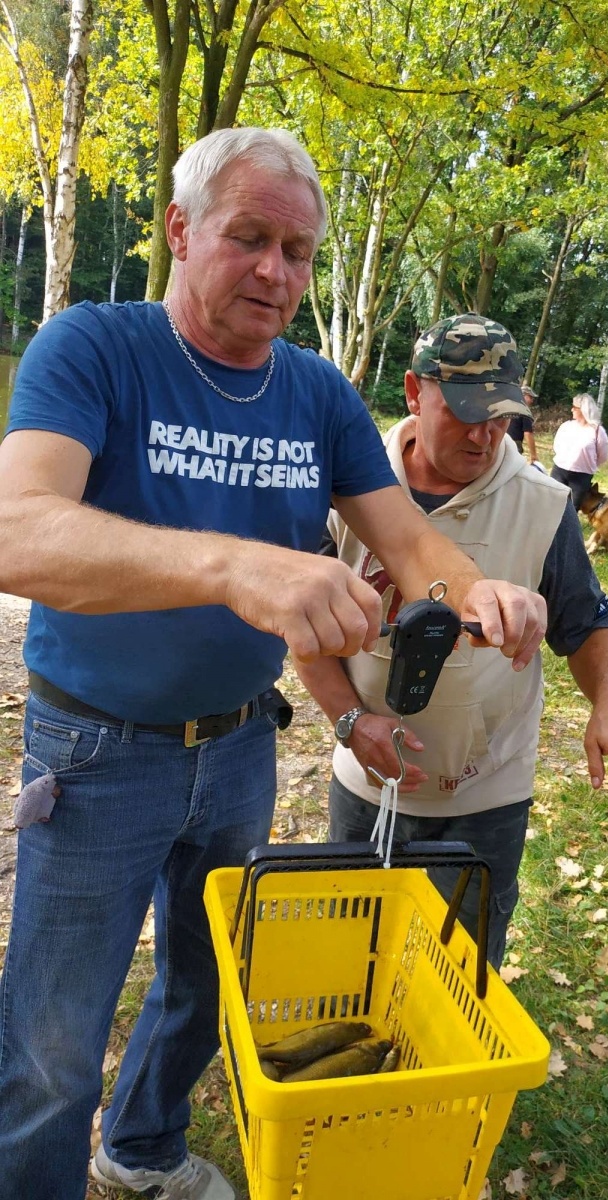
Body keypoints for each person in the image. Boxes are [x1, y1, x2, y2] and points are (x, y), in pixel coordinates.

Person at [0, 132, 545, 1200]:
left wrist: (476, 591)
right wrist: (234, 566)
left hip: (242, 744)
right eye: (249, 237)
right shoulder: (94, 347)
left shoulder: (317, 392)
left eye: (297, 252)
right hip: (95, 750)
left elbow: (412, 544)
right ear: (180, 229)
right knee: (55, 1040)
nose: (275, 271)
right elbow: (17, 533)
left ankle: (142, 1150)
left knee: (208, 988)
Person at [295, 313, 608, 969]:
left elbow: (588, 622)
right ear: (414, 393)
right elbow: (306, 629)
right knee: (357, 952)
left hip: (486, 794)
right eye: (464, 412)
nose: (483, 435)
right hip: (367, 778)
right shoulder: (345, 488)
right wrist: (350, 721)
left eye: (500, 416)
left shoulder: (543, 504)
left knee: (461, 962)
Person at [550, 391, 608, 511]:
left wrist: (586, 464)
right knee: (552, 503)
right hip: (559, 470)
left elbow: (603, 455)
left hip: (581, 476)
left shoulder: (598, 431)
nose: (571, 409)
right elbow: (557, 445)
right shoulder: (567, 426)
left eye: (575, 407)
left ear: (584, 410)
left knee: (571, 509)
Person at [507, 383, 538, 463]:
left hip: (502, 441)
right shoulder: (524, 411)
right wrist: (533, 455)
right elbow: (528, 433)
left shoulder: (507, 407)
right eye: (530, 397)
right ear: (522, 395)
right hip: (514, 445)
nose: (532, 400)